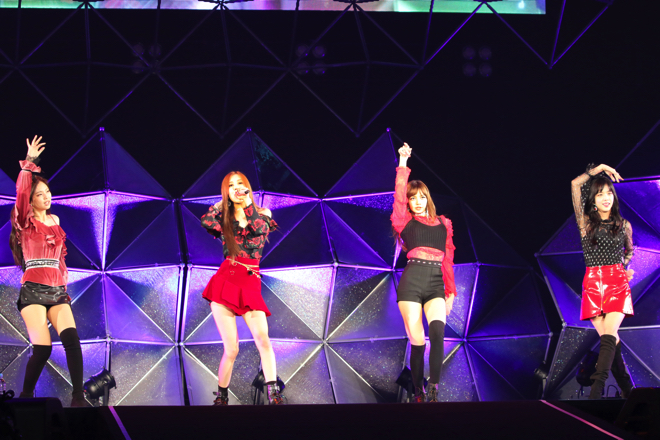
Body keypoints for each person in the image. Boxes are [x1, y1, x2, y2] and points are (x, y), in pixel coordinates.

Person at [9, 136, 86, 407]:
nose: (47, 197)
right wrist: (29, 163)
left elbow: (61, 260)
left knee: (72, 340)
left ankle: (78, 397)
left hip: (56, 291)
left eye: (48, 192)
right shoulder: (24, 221)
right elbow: (20, 193)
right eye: (40, 194)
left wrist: (63, 286)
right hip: (32, 290)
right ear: (30, 201)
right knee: (43, 349)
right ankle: (25, 399)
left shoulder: (56, 220)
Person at [200, 171, 284, 405]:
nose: (236, 188)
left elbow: (258, 230)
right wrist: (221, 204)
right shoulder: (224, 219)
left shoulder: (263, 214)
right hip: (226, 281)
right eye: (231, 185)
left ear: (248, 187)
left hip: (250, 283)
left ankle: (274, 394)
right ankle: (222, 397)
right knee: (232, 349)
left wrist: (247, 204)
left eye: (240, 184)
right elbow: (206, 221)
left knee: (263, 339)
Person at [391, 143, 457, 403]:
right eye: (412, 198)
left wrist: (451, 292)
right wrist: (403, 162)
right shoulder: (404, 221)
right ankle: (417, 392)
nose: (416, 202)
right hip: (411, 283)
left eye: (420, 197)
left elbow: (448, 260)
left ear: (427, 198)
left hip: (436, 284)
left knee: (438, 332)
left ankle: (433, 388)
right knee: (417, 341)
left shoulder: (444, 223)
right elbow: (398, 194)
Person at [571, 164, 635, 399]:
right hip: (592, 284)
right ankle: (628, 390)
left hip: (617, 282)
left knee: (609, 336)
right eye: (600, 194)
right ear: (593, 201)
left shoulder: (624, 225)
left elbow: (629, 251)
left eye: (609, 193)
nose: (606, 198)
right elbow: (575, 184)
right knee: (612, 342)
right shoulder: (586, 223)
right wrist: (600, 168)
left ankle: (596, 391)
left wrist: (624, 268)